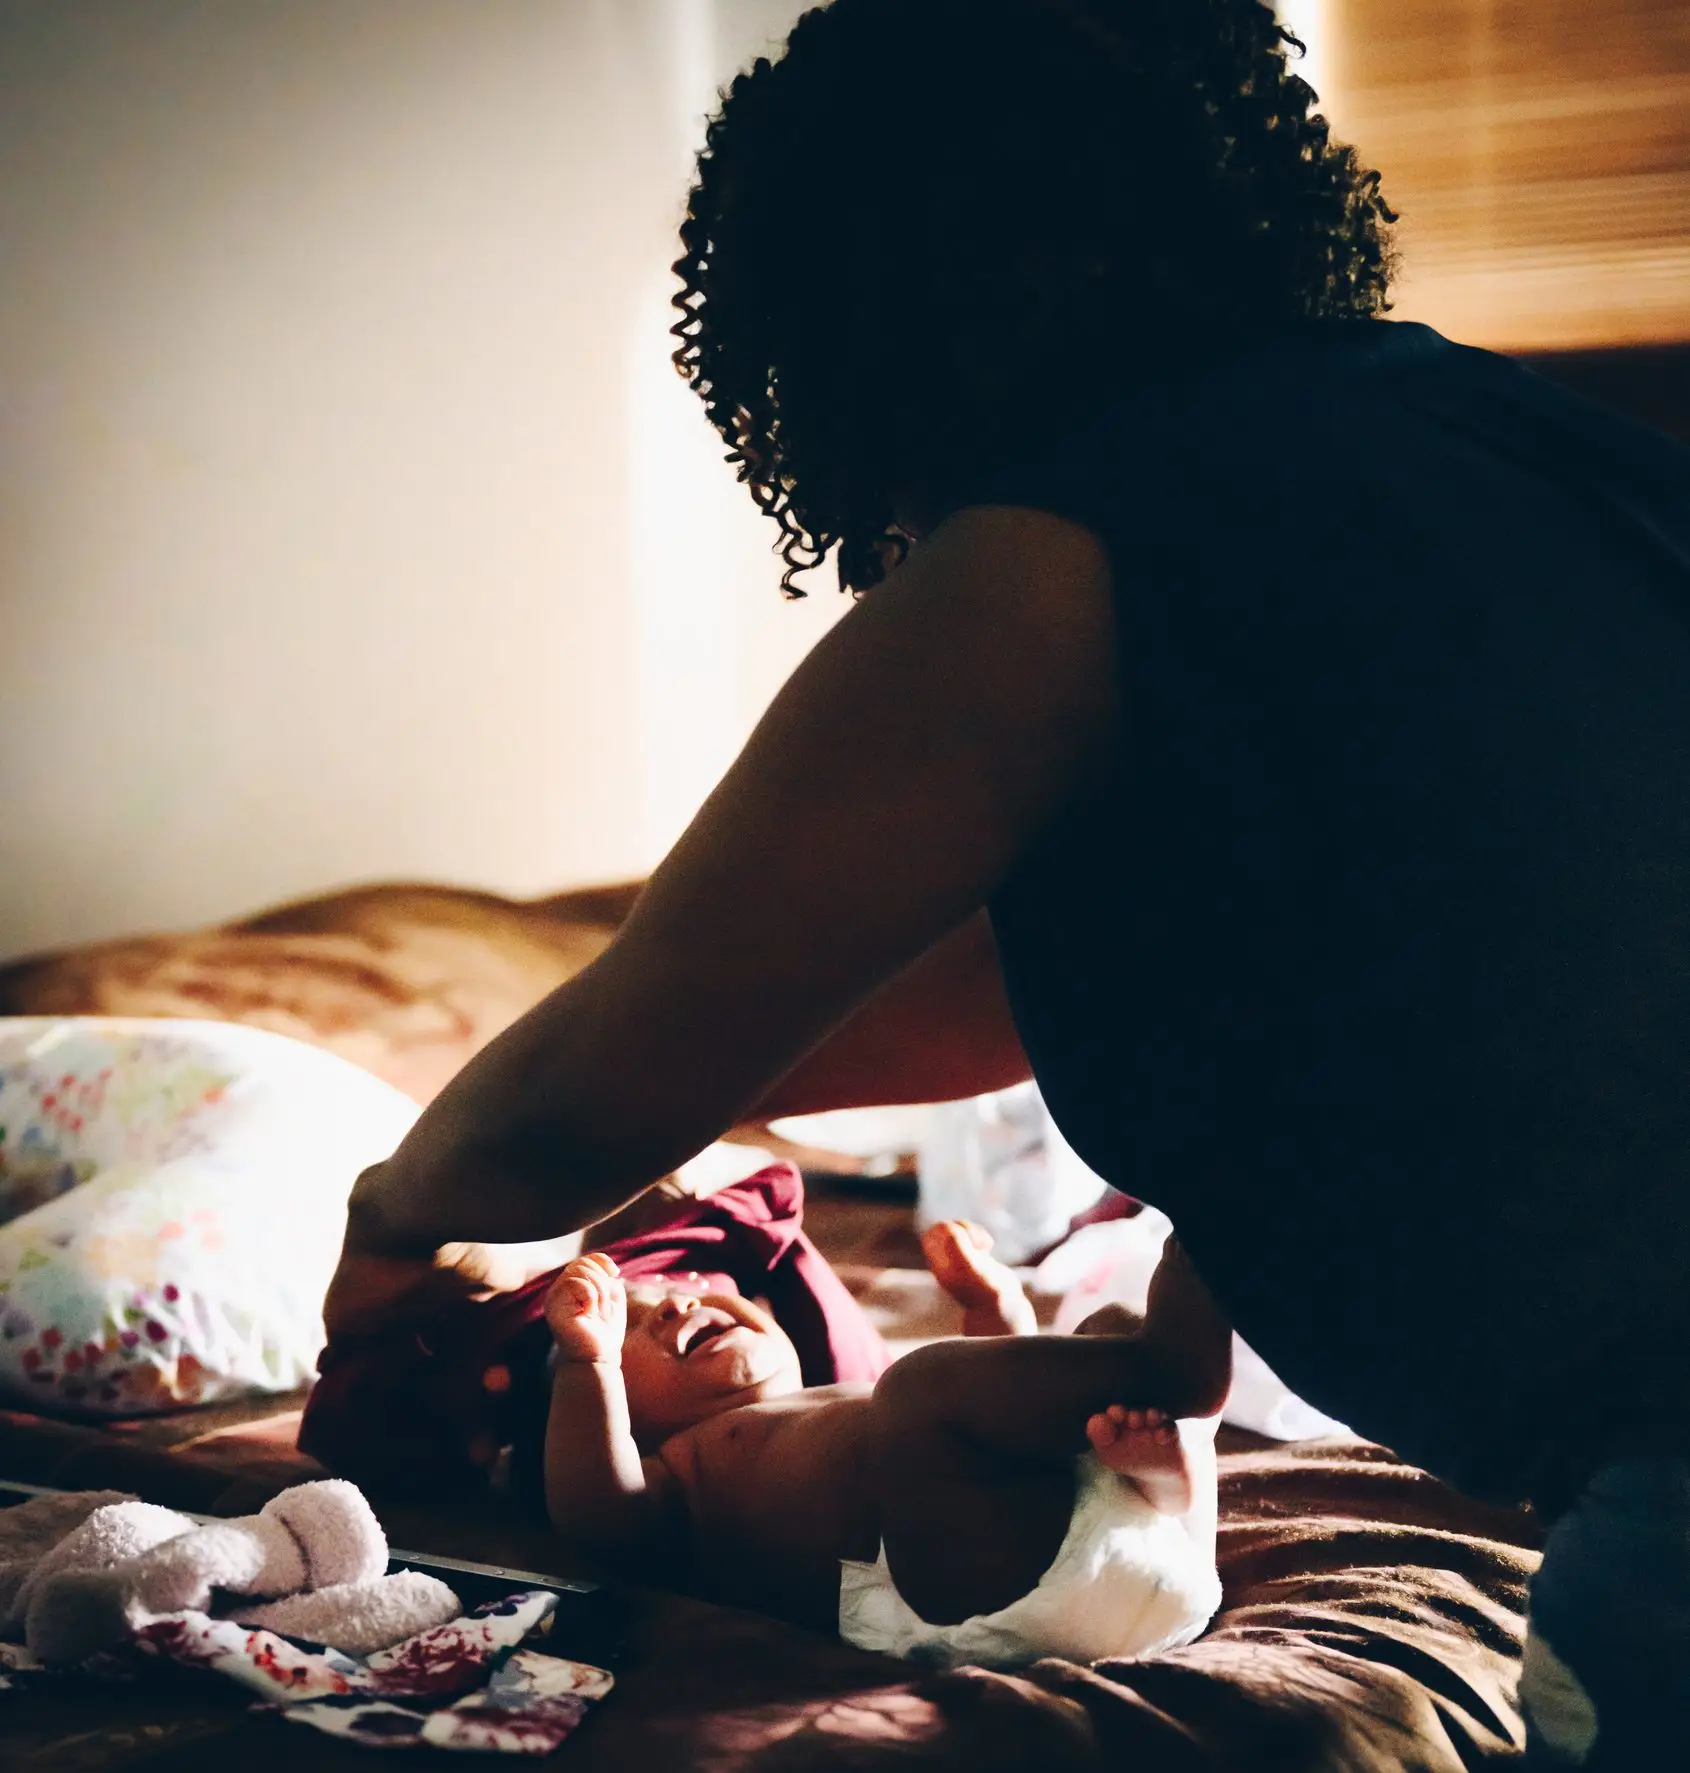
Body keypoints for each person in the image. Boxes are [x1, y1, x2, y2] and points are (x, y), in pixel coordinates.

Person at [323, 1, 1690, 1761]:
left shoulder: (1061, 547)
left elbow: (577, 1099)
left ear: (841, 321)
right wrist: (713, 1086)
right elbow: (997, 979)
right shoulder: (1518, 440)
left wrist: (393, 1214)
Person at [541, 1221, 1226, 1666]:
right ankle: (1181, 1355)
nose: (675, 1303)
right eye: (629, 1324)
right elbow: (599, 1511)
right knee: (920, 1387)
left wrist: (992, 1307)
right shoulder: (676, 1470)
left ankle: (1166, 1468)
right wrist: (586, 1363)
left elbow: (995, 1412)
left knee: (1104, 1335)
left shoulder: (842, 1399)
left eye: (685, 1290)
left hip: (1144, 1547)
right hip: (972, 1592)